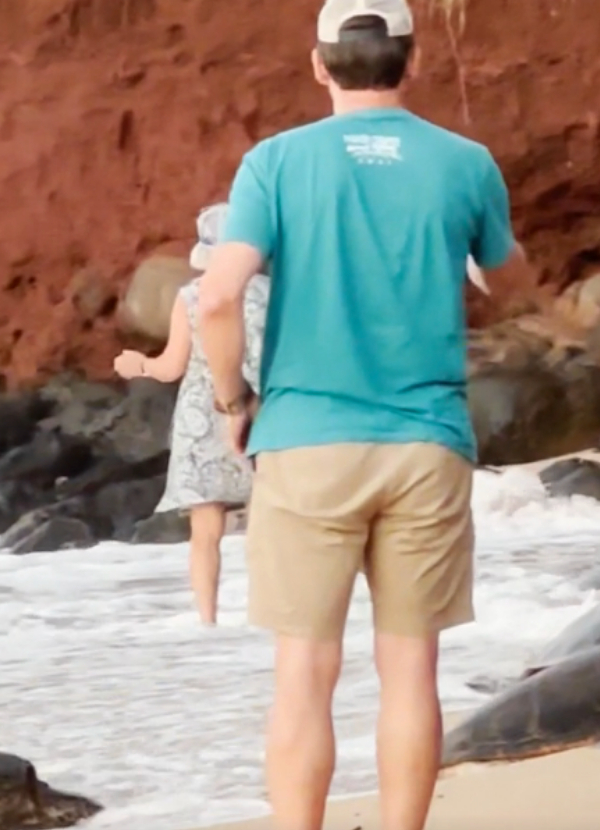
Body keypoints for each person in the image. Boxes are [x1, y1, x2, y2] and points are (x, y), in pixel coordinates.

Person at [192, 2, 537, 830]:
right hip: (427, 440)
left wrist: (233, 401)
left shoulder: (274, 164)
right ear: (410, 64)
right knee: (410, 671)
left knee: (304, 673)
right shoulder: (465, 163)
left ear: (319, 65)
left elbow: (217, 296)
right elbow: (513, 285)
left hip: (305, 441)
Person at [112, 203, 269, 626]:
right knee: (268, 522)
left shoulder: (193, 296)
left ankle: (208, 619)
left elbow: (171, 367)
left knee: (205, 531)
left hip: (203, 415)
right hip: (263, 412)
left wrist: (137, 364)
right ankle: (267, 612)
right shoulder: (272, 295)